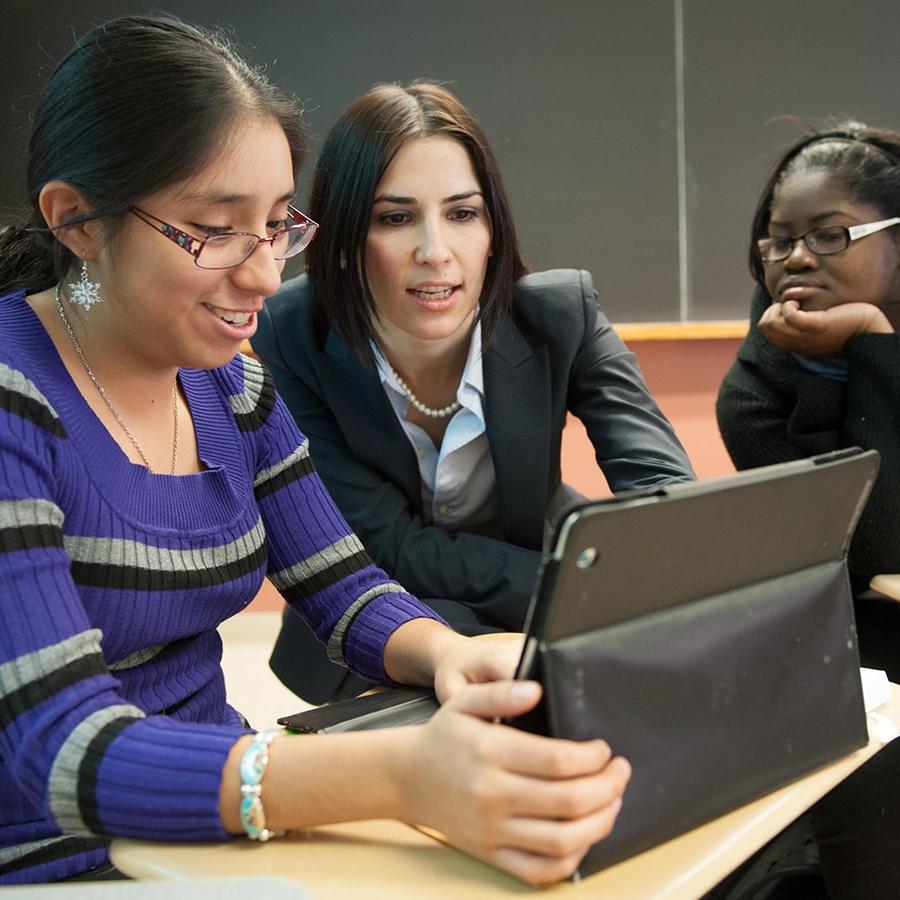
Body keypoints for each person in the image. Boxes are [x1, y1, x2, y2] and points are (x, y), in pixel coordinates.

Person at [0, 16, 632, 885]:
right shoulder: (13, 401)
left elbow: (343, 586)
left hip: (215, 832)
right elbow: (63, 751)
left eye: (275, 227)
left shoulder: (230, 387)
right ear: (76, 221)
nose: (264, 273)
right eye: (216, 230)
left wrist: (452, 656)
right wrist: (401, 775)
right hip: (54, 857)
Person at [251, 81, 695, 704]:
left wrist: (644, 572)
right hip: (387, 620)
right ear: (346, 240)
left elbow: (663, 492)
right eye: (395, 218)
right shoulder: (287, 331)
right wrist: (576, 585)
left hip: (533, 595)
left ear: (494, 229)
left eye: (463, 214)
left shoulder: (561, 313)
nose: (437, 253)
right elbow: (384, 547)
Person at [715, 121, 900, 899]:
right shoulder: (753, 390)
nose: (795, 258)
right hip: (845, 652)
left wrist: (874, 346)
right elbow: (876, 543)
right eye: (778, 239)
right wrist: (865, 341)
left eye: (829, 236)